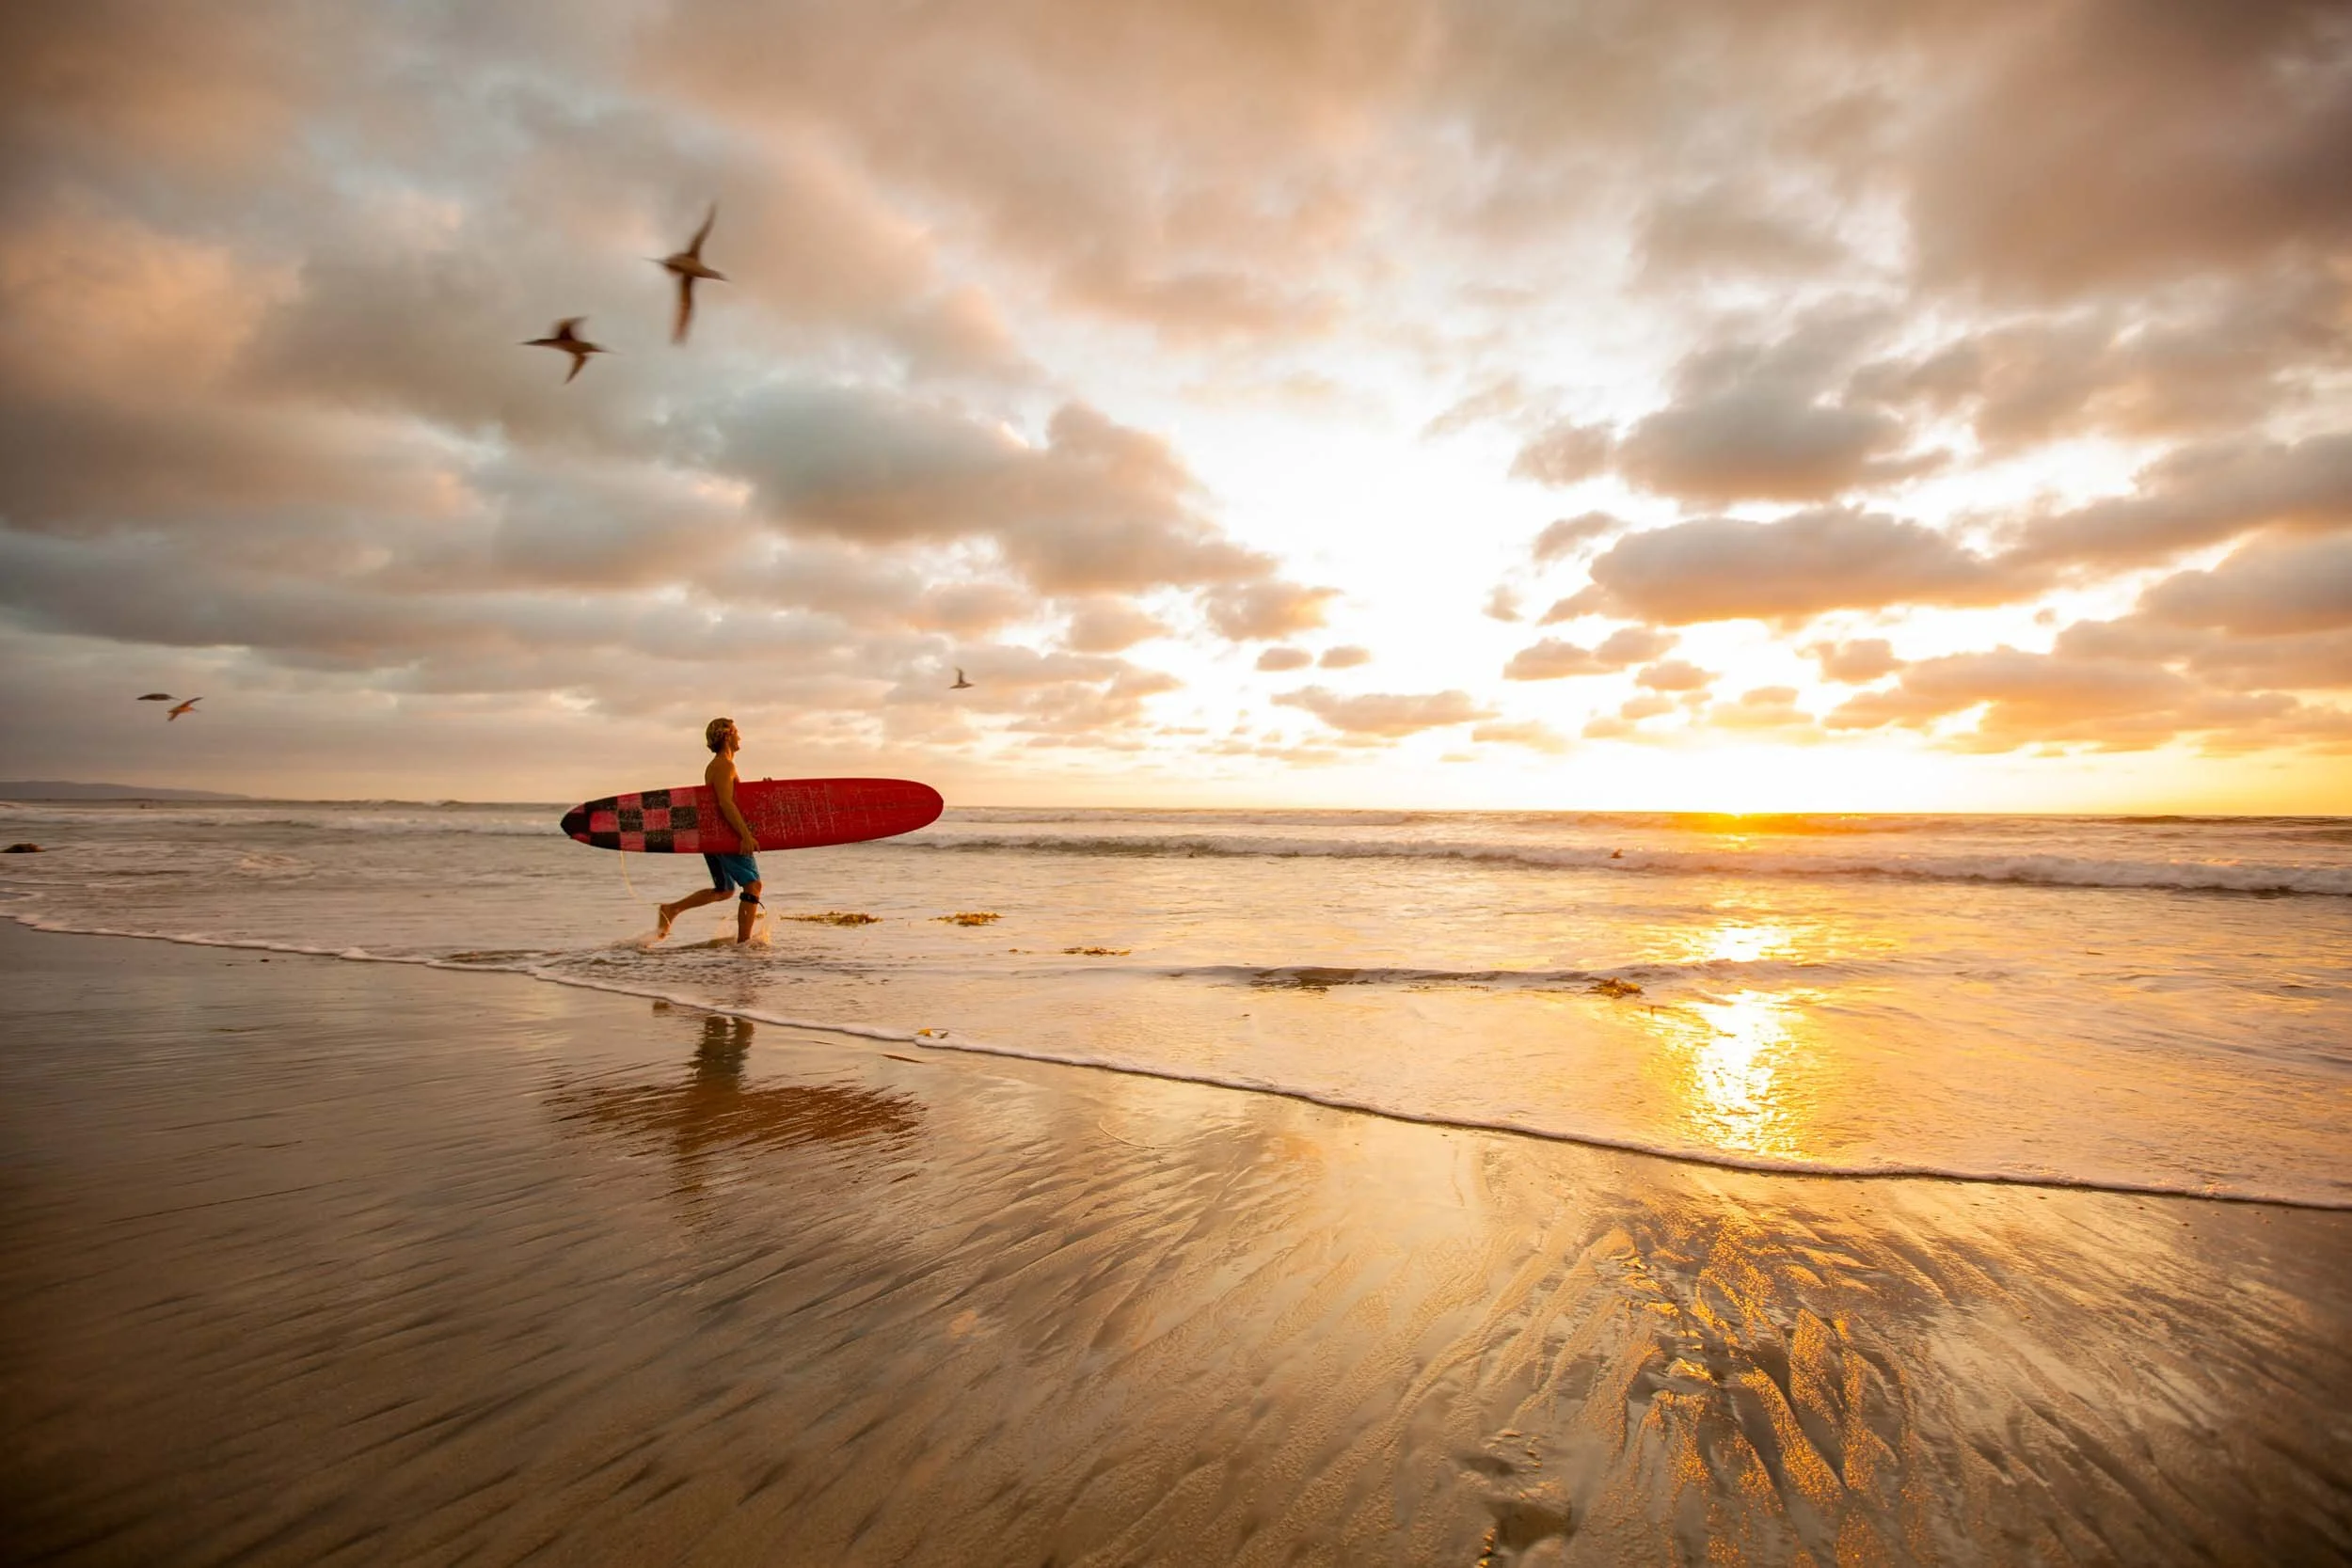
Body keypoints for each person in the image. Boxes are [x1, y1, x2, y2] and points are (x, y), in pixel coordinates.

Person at [656, 717, 764, 942]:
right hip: (726, 834)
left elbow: (734, 799)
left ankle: (672, 909)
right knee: (753, 885)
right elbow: (725, 803)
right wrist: (745, 835)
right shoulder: (724, 765)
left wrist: (762, 791)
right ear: (727, 736)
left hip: (712, 834)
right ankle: (744, 944)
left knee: (724, 890)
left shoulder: (718, 766)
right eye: (736, 731)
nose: (739, 736)